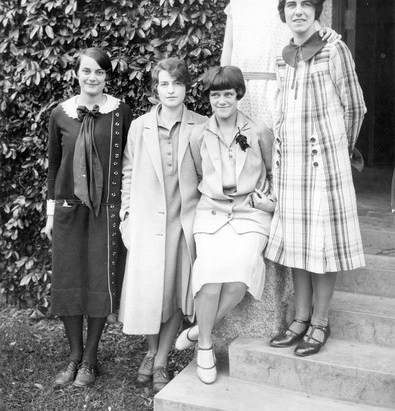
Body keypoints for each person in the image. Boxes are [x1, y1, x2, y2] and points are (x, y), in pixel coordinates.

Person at [265, 0, 366, 357]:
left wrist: (340, 149)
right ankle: (300, 317)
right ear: (284, 13)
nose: (298, 11)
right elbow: (282, 112)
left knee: (322, 246)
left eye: (306, 4)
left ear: (317, 10)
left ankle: (320, 320)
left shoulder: (334, 50)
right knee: (297, 244)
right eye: (291, 5)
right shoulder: (284, 55)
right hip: (291, 167)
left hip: (325, 167)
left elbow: (355, 107)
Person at [175, 66, 274, 384]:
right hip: (211, 214)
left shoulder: (258, 131)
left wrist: (271, 203)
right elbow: (198, 175)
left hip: (250, 214)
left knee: (240, 275)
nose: (221, 100)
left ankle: (197, 328)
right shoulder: (198, 135)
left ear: (238, 95)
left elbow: (274, 173)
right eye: (215, 94)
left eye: (228, 94)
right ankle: (204, 346)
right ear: (208, 97)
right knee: (208, 276)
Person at [43, 47, 132, 386]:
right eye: (86, 71)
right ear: (76, 74)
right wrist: (51, 214)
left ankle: (91, 359)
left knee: (99, 281)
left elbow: (127, 162)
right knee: (68, 281)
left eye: (99, 72)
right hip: (68, 208)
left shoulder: (120, 111)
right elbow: (53, 165)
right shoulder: (60, 113)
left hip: (105, 211)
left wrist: (125, 209)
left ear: (107, 76)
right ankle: (74, 356)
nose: (92, 77)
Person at [118, 58, 206, 393]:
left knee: (173, 291)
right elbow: (127, 174)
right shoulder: (140, 126)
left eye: (177, 84)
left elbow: (208, 174)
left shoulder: (201, 125)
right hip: (145, 221)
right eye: (164, 84)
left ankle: (159, 359)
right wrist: (126, 217)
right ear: (156, 88)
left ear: (186, 87)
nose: (171, 90)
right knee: (148, 291)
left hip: (182, 223)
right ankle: (152, 350)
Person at [221, 0, 339, 129]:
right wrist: (224, 85)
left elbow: (310, 26)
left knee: (277, 152)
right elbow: (228, 47)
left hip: (278, 87)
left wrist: (326, 32)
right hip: (240, 90)